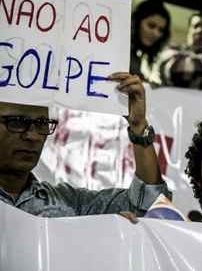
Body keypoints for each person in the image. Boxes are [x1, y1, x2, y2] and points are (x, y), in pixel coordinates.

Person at [0, 73, 171, 217]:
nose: (33, 135)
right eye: (16, 122)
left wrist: (139, 127)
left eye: (42, 123)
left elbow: (149, 206)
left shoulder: (68, 204)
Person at [130, 0, 171, 86]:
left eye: (161, 30)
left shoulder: (141, 58)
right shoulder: (122, 52)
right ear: (136, 22)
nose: (156, 34)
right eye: (151, 26)